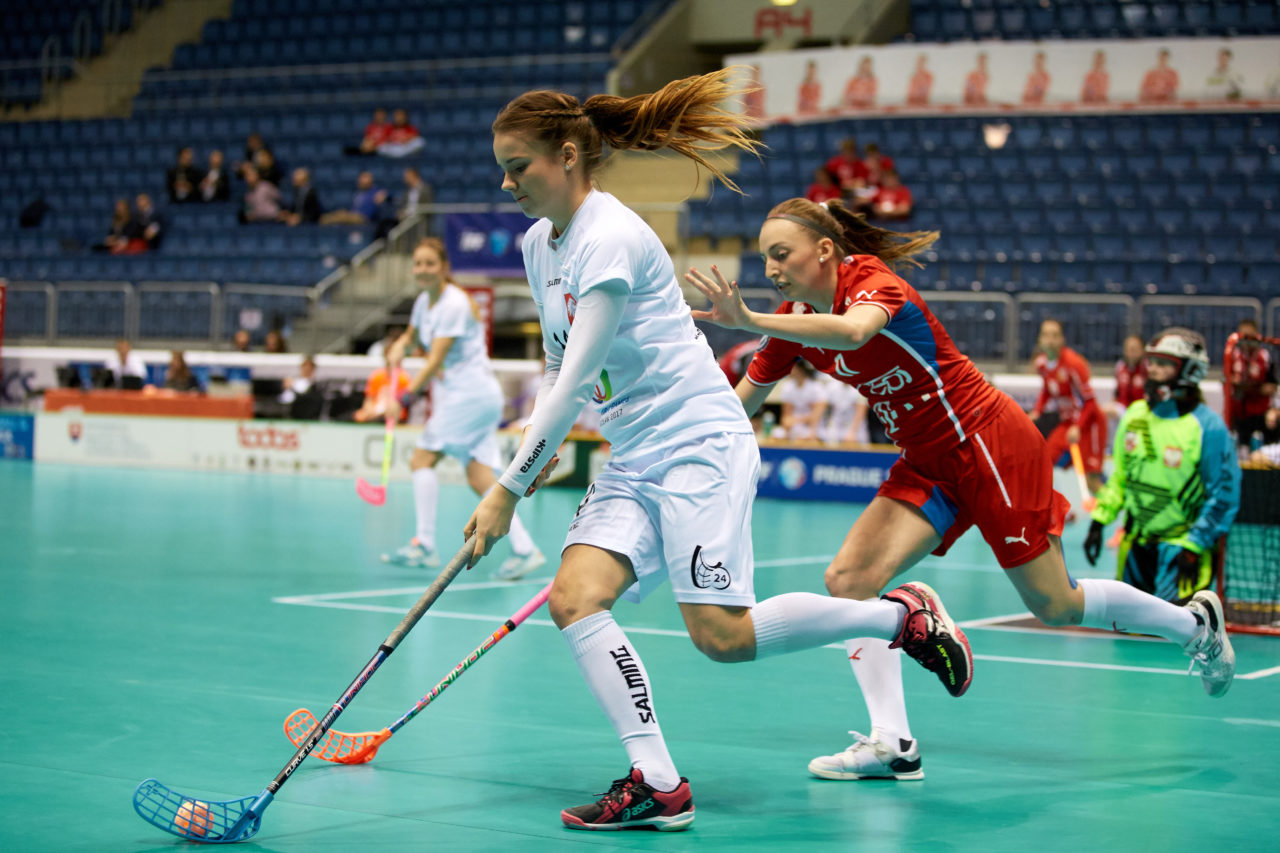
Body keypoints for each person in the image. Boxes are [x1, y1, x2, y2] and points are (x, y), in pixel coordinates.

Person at [466, 70, 981, 832]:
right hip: (635, 451)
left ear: (569, 155)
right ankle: (659, 781)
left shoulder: (611, 238)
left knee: (723, 636)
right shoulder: (542, 244)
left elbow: (575, 380)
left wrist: (506, 488)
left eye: (520, 166)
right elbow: (555, 365)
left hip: (697, 442)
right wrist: (526, 462)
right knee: (576, 598)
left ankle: (895, 618)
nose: (507, 182)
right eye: (502, 168)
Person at [684, 196, 1235, 787]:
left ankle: (1195, 624)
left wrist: (750, 320)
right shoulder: (794, 321)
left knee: (1056, 605)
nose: (771, 269)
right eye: (765, 257)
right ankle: (893, 743)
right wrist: (681, 451)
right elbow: (740, 405)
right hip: (927, 460)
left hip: (988, 442)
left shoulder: (873, 284)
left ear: (824, 251)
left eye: (781, 254)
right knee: (849, 583)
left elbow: (852, 331)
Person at [384, 238, 545, 580]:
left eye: (429, 264)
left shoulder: (454, 304)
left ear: (443, 267)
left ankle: (425, 545)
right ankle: (526, 549)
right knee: (479, 476)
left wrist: (402, 398)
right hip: (470, 396)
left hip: (469, 396)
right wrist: (398, 347)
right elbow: (412, 337)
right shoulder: (423, 303)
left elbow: (434, 361)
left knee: (421, 459)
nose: (422, 270)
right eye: (418, 264)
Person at [1084, 329, 1240, 604]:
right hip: (1135, 549)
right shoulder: (1134, 414)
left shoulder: (1209, 427)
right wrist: (1099, 521)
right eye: (1151, 362)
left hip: (1182, 552)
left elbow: (1223, 495)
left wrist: (1195, 545)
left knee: (1176, 637)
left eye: (1164, 363)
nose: (1153, 369)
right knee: (1131, 635)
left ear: (1190, 370)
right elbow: (1120, 477)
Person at [1030, 319, 1106, 496]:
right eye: (1046, 335)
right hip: (1067, 424)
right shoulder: (1041, 364)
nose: (1050, 340)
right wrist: (1037, 411)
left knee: (1091, 482)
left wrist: (1078, 427)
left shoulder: (1074, 363)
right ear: (1040, 339)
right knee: (1045, 463)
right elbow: (1047, 390)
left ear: (1062, 339)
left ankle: (1111, 502)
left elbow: (1090, 402)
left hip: (1089, 423)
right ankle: (1050, 509)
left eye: (1055, 335)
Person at [1223, 318, 1277, 450]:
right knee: (1241, 447)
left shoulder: (1265, 356)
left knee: (1272, 431)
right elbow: (1229, 383)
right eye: (1243, 337)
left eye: (1250, 337)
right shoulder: (1232, 355)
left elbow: (1272, 386)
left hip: (1261, 409)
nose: (1247, 342)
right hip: (1241, 410)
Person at [775, 359, 827, 442]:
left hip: (814, 428)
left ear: (800, 369)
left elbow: (816, 416)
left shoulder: (817, 387)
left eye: (792, 367)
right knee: (776, 436)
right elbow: (786, 417)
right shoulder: (787, 387)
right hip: (795, 427)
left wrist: (796, 421)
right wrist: (787, 430)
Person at [353, 355, 412, 423]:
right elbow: (369, 399)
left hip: (393, 416)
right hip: (374, 414)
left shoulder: (404, 379)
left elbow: (402, 407)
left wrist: (380, 413)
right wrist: (368, 412)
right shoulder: (377, 376)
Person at [1112, 334, 1148, 417]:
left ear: (1143, 350)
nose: (1130, 353)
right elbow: (1116, 393)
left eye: (1134, 349)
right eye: (1127, 349)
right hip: (1122, 408)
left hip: (1141, 410)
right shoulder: (1120, 366)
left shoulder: (1147, 368)